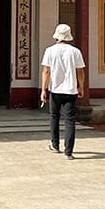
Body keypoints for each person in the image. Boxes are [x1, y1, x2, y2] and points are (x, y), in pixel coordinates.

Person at [40, 24, 85, 159]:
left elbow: (46, 71)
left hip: (55, 89)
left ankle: (55, 145)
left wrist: (43, 89)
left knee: (54, 116)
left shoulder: (50, 51)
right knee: (70, 120)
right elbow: (80, 71)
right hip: (70, 90)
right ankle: (68, 152)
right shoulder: (75, 52)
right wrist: (81, 86)